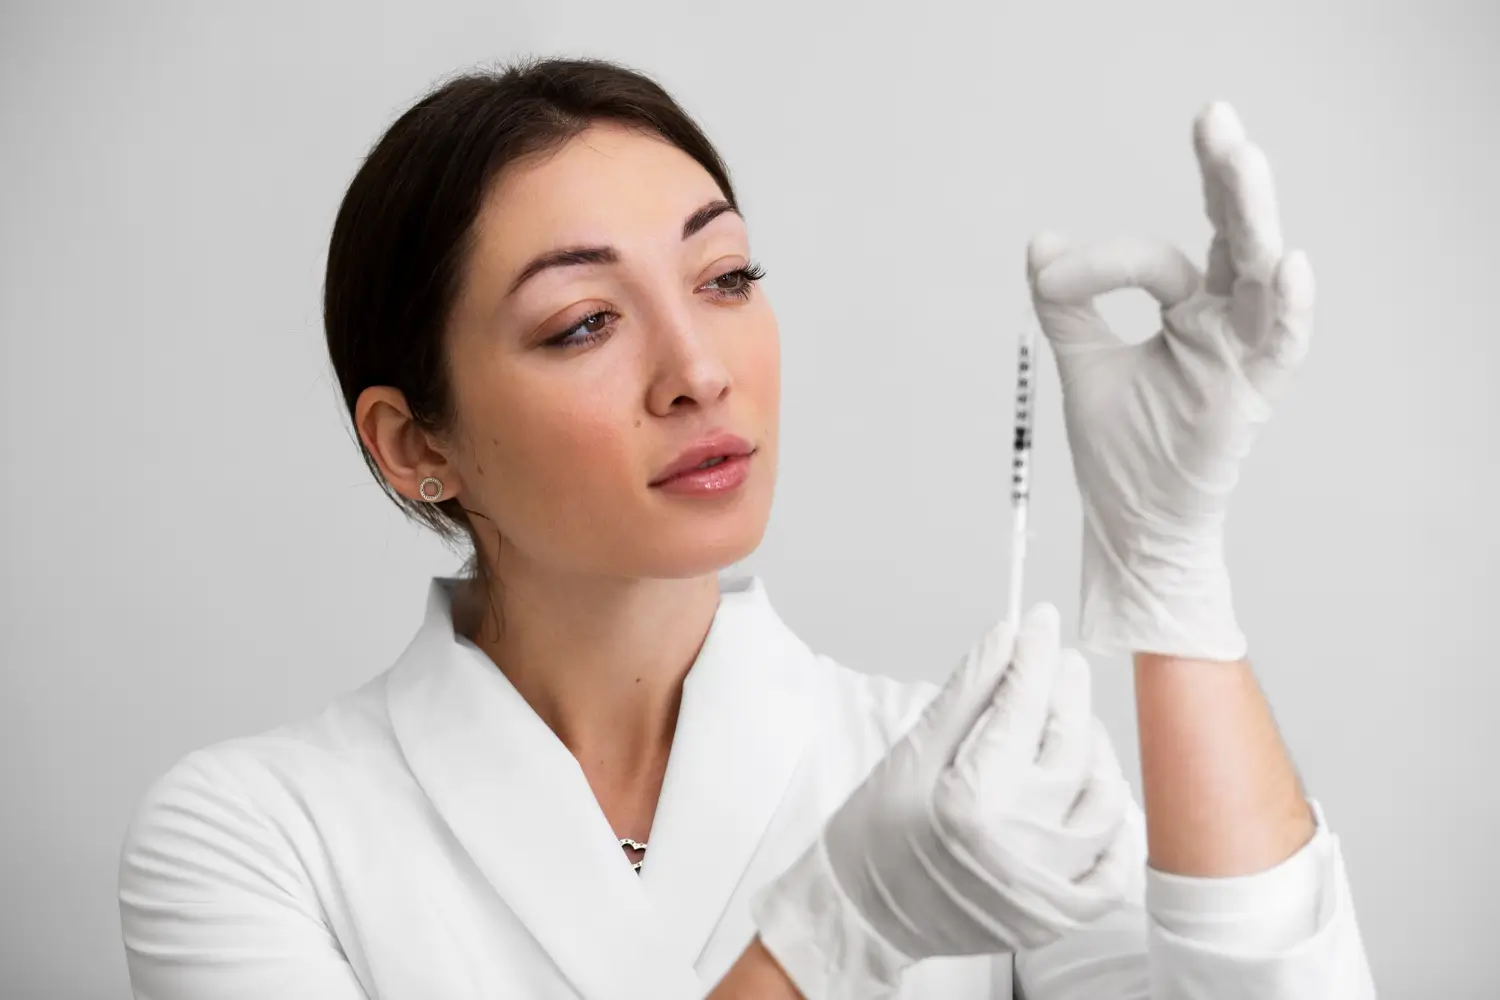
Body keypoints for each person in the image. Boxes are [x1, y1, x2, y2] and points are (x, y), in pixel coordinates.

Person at [117, 57, 1376, 999]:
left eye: (725, 280)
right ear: (416, 443)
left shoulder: (963, 799)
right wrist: (839, 928)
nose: (699, 371)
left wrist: (1171, 570)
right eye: (583, 323)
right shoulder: (257, 835)